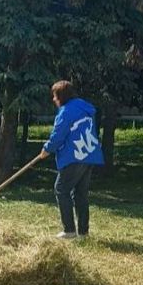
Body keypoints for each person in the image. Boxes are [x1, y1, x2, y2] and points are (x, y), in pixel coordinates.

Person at [36, 80, 104, 239]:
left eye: (54, 96)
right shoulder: (84, 107)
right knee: (80, 193)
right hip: (90, 155)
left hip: (75, 156)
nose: (53, 100)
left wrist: (47, 149)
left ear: (61, 96)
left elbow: (58, 136)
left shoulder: (66, 112)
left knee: (61, 188)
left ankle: (69, 230)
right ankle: (83, 232)